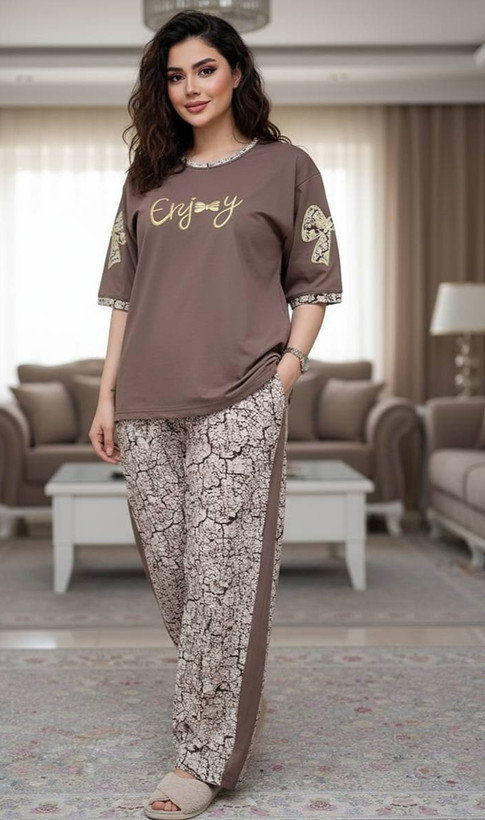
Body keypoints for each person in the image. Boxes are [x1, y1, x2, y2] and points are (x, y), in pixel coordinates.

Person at [90, 9, 342, 819]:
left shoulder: (286, 167)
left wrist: (286, 374)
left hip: (241, 395)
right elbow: (124, 298)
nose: (190, 87)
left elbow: (315, 283)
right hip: (145, 404)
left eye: (204, 69)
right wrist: (106, 394)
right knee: (178, 579)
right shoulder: (147, 176)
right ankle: (231, 695)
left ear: (235, 72)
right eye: (174, 75)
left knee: (224, 578)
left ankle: (201, 757)